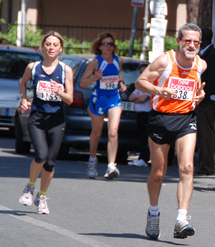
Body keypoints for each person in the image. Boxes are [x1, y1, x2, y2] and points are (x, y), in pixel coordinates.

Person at [135, 23, 207, 240]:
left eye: (196, 42)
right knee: (158, 173)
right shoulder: (165, 61)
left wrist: (199, 96)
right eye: (187, 41)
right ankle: (154, 212)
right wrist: (159, 90)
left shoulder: (200, 64)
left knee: (187, 166)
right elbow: (140, 82)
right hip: (161, 119)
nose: (191, 45)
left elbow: (196, 88)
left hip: (186, 119)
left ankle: (181, 219)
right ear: (178, 41)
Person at [18, 31, 74, 214]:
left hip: (57, 120)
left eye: (55, 45)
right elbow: (23, 82)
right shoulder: (33, 67)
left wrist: (59, 92)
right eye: (48, 44)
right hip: (37, 118)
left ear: (61, 48)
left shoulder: (65, 70)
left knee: (50, 162)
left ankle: (42, 196)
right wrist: (23, 100)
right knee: (41, 155)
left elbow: (70, 99)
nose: (51, 48)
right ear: (42, 47)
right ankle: (29, 187)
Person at [79, 33, 128, 179]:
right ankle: (92, 160)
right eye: (106, 44)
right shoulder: (95, 62)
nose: (109, 47)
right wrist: (95, 77)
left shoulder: (118, 60)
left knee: (113, 132)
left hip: (114, 98)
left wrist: (121, 84)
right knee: (97, 133)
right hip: (98, 99)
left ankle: (111, 166)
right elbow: (82, 83)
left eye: (111, 44)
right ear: (100, 46)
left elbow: (119, 75)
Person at [195, 27, 215, 176]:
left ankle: (207, 166)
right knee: (201, 134)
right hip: (203, 100)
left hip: (208, 100)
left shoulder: (213, 54)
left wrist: (204, 98)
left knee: (206, 134)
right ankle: (202, 164)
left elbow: (213, 80)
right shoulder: (203, 54)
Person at [128, 63, 151, 167]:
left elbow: (143, 99)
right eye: (140, 72)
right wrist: (138, 98)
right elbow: (131, 98)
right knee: (141, 138)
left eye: (144, 72)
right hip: (139, 115)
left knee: (146, 138)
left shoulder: (150, 84)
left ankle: (144, 159)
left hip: (147, 115)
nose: (142, 74)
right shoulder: (140, 85)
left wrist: (138, 98)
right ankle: (141, 158)